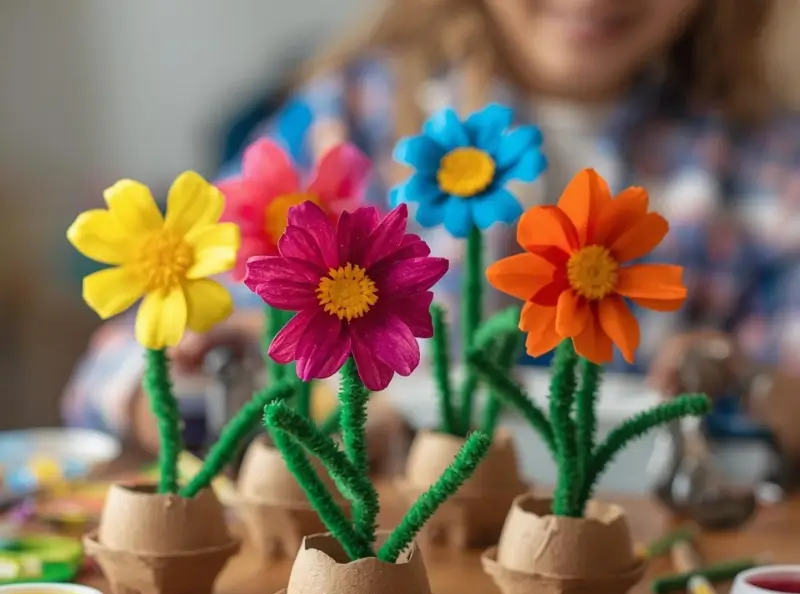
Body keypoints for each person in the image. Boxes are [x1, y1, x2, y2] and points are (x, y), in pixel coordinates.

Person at [62, 0, 800, 455]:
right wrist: (173, 388)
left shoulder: (767, 163)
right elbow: (113, 369)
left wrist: (752, 383)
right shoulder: (349, 117)